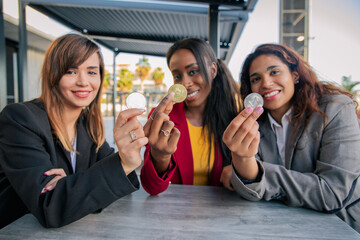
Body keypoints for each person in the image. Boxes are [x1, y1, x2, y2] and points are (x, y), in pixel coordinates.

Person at [0, 33, 148, 228]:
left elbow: (120, 187)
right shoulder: (20, 119)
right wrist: (75, 189)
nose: (83, 81)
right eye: (71, 71)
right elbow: (51, 207)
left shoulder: (88, 126)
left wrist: (70, 186)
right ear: (53, 75)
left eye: (92, 72)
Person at [223, 43, 360, 232]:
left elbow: (332, 194)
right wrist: (241, 159)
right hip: (280, 227)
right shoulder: (255, 125)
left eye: (274, 72)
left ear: (295, 75)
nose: (266, 83)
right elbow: (252, 191)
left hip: (342, 227)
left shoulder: (336, 109)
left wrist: (258, 172)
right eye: (256, 78)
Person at [141, 38, 241, 195]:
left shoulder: (234, 118)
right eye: (177, 76)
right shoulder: (163, 118)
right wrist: (160, 157)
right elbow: (152, 188)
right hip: (175, 213)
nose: (185, 83)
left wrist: (238, 170)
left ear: (213, 70)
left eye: (193, 71)